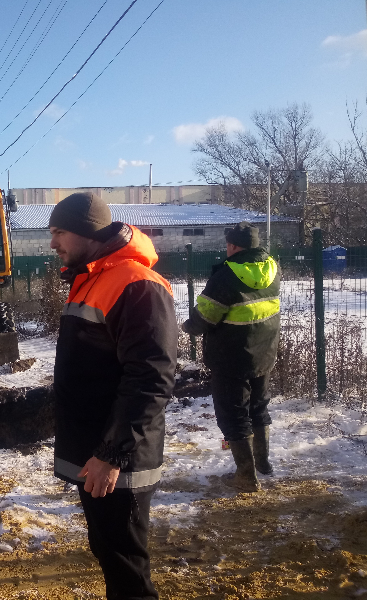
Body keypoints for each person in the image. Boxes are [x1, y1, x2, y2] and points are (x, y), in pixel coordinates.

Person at [49, 192, 177, 600]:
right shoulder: (93, 277)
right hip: (98, 454)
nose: (53, 244)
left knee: (126, 569)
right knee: (110, 553)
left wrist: (112, 454)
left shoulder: (136, 285)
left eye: (59, 232)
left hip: (118, 460)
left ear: (86, 232)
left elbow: (151, 378)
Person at [182, 222, 280, 493]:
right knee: (259, 408)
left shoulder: (227, 275)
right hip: (264, 351)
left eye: (228, 244)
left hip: (230, 357)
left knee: (233, 413)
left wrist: (189, 326)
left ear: (234, 245)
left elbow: (206, 316)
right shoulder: (272, 268)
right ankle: (263, 464)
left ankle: (246, 477)